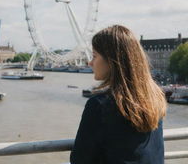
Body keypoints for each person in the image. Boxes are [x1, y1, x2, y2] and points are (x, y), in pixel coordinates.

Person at [70, 25, 167, 164]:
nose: (90, 62)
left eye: (94, 56)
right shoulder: (156, 98)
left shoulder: (99, 105)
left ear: (111, 61)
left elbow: (79, 159)